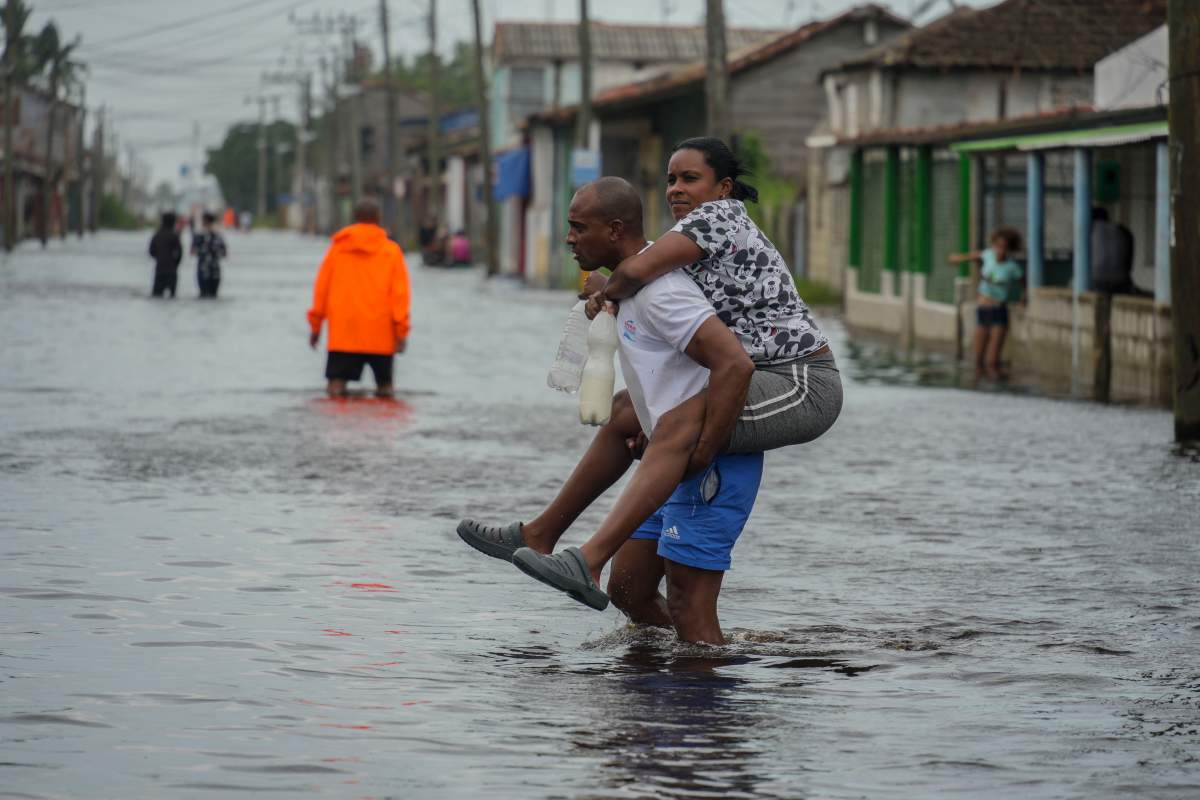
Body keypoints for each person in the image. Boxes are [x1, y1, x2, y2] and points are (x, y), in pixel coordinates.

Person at [459, 138, 842, 615]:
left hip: (801, 382)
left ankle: (589, 559)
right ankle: (540, 533)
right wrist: (613, 288)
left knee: (678, 424)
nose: (676, 189)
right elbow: (640, 270)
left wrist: (696, 450)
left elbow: (640, 268)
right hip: (757, 373)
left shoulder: (720, 217)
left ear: (723, 188)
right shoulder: (689, 234)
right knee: (626, 410)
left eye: (689, 179)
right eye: (670, 180)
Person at [307, 199, 411, 398]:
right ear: (379, 219)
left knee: (335, 389)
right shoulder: (391, 252)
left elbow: (321, 291)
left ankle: (342, 427)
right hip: (380, 334)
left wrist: (316, 327)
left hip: (344, 333)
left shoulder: (337, 250)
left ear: (354, 219)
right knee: (386, 391)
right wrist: (401, 330)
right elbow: (400, 295)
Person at [949, 227, 1023, 375]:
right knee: (977, 359)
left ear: (1009, 249)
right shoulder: (988, 255)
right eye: (998, 246)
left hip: (999, 309)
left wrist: (1022, 299)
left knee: (992, 361)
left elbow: (1023, 283)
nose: (1000, 251)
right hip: (983, 308)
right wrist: (959, 258)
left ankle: (995, 386)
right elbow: (974, 256)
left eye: (1004, 247)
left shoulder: (1012, 267)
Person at [191, 212, 228, 298]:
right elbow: (193, 251)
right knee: (203, 294)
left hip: (214, 270)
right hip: (203, 270)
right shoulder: (199, 236)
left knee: (213, 295)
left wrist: (213, 251)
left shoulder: (217, 236)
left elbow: (224, 253)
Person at [148, 212, 183, 298]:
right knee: (172, 296)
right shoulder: (174, 236)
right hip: (171, 270)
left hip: (159, 268)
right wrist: (175, 263)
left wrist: (158, 258)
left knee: (156, 295)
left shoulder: (157, 235)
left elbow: (151, 251)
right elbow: (180, 253)